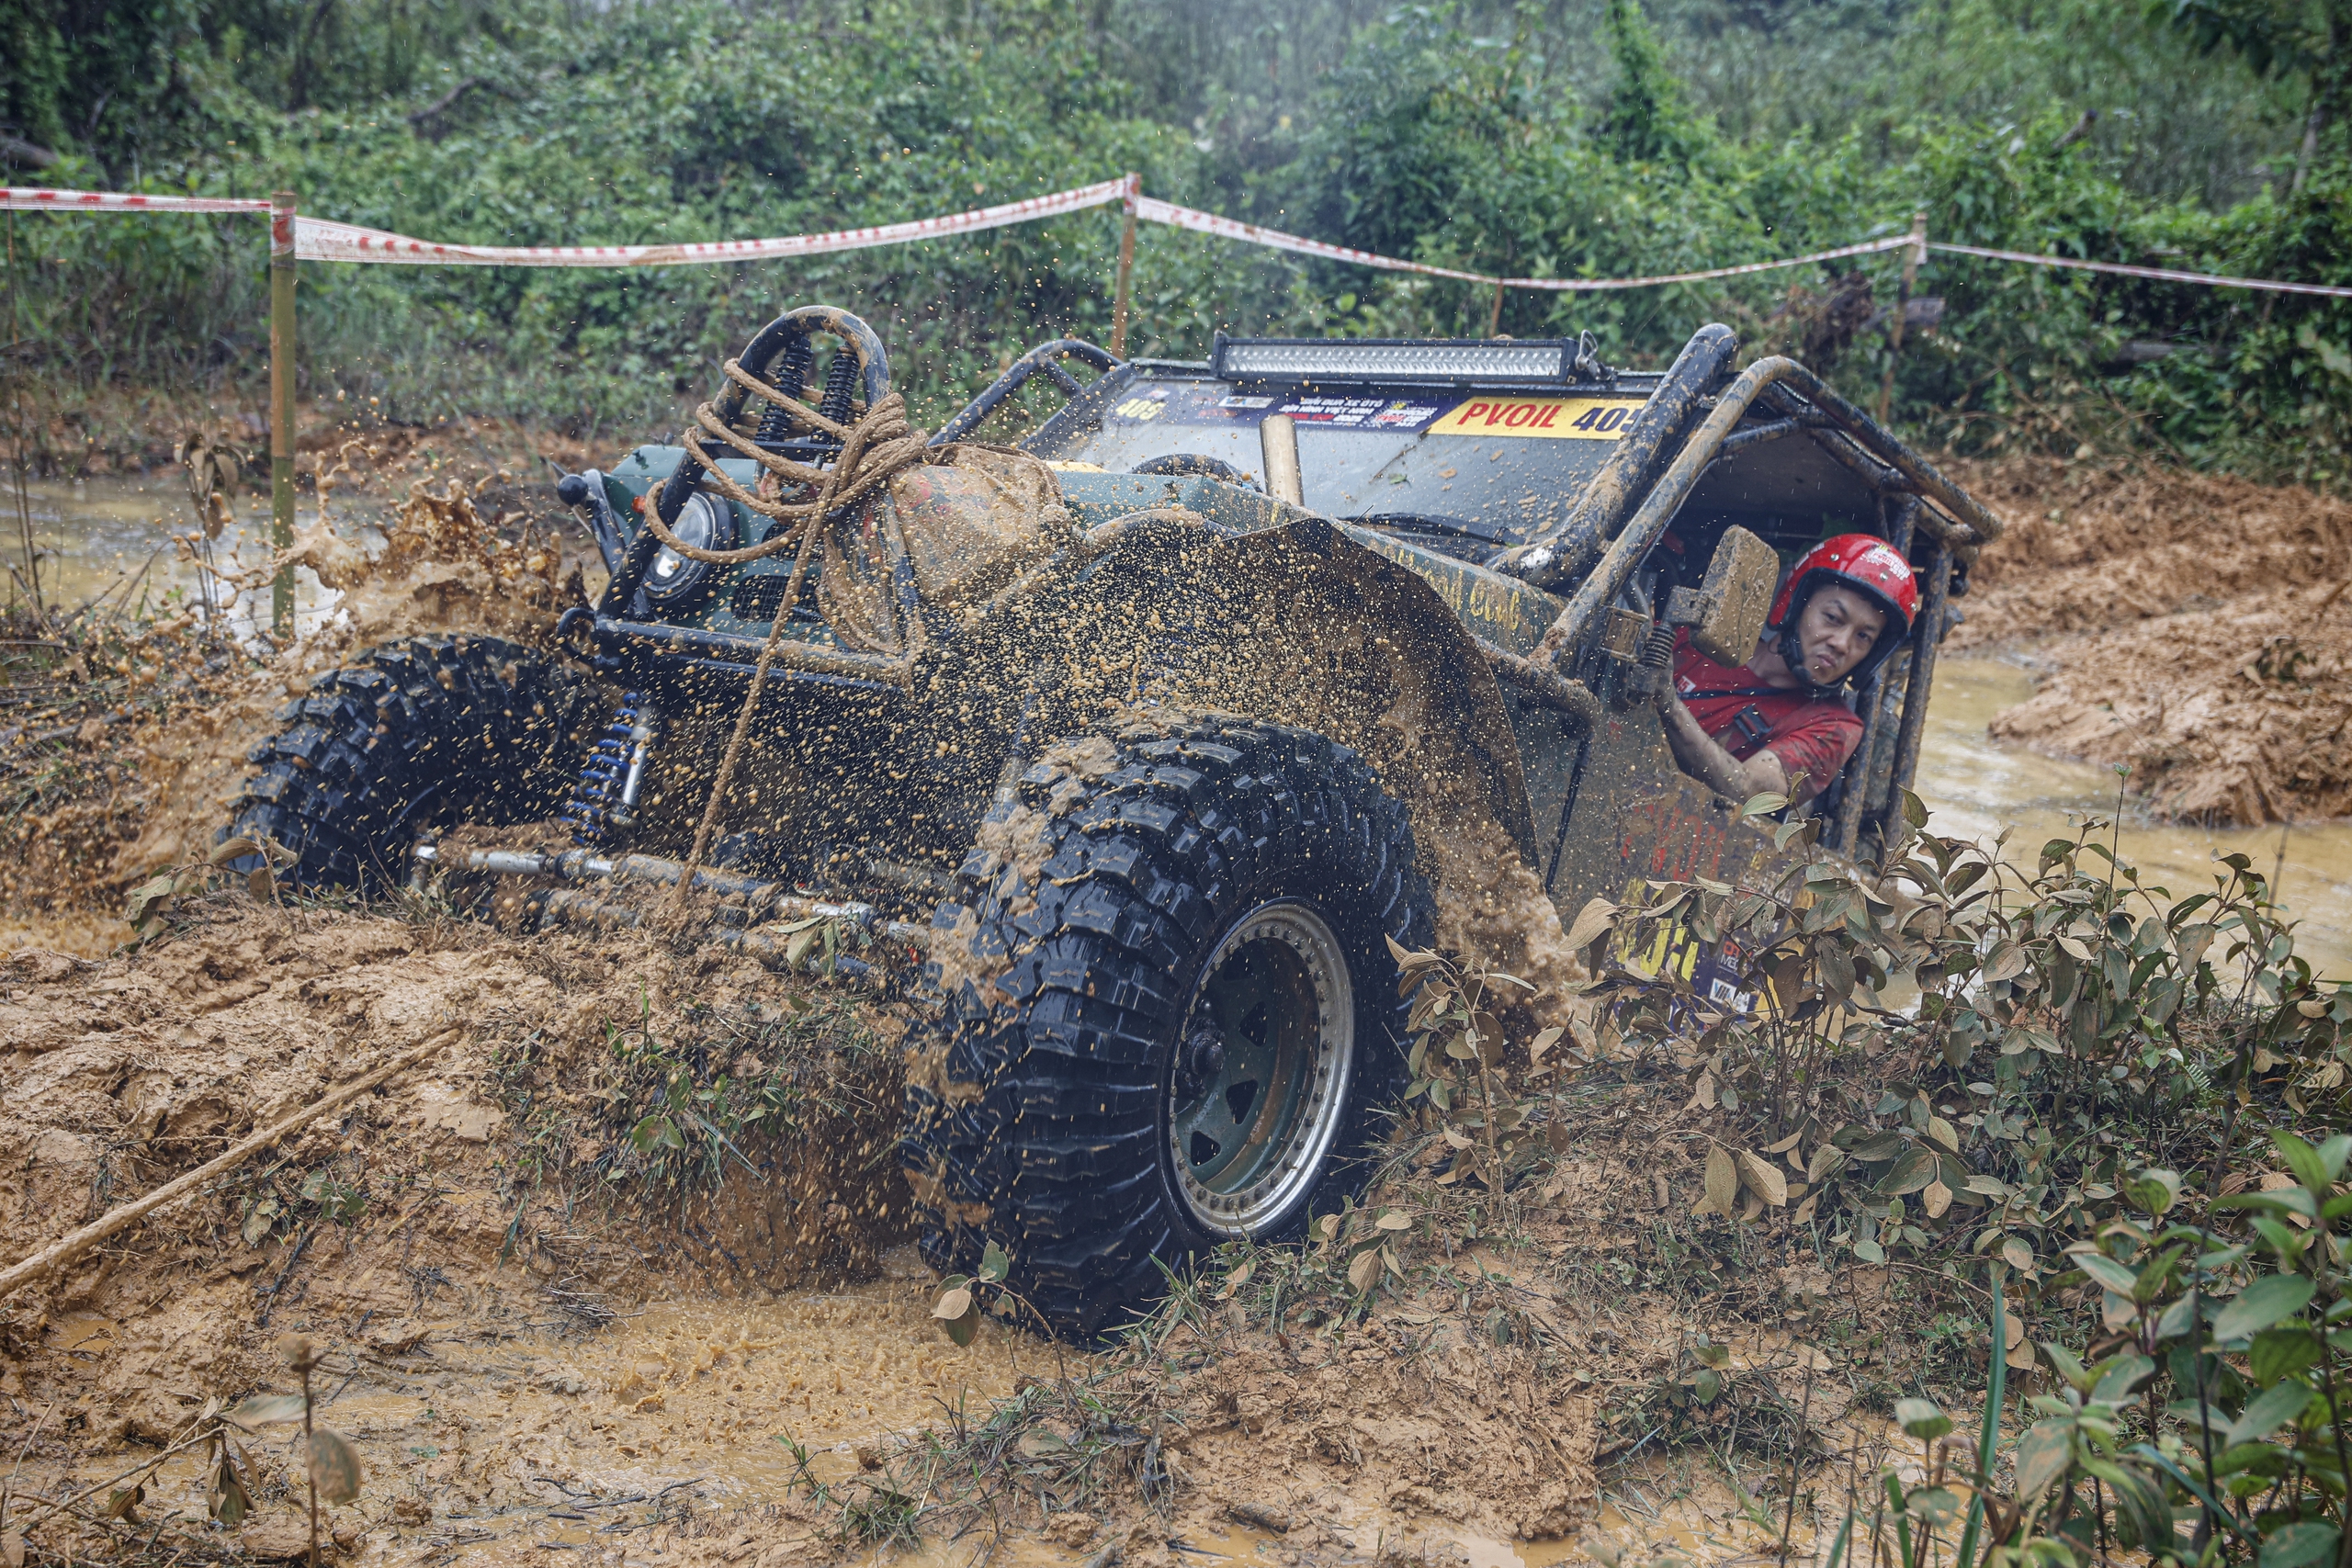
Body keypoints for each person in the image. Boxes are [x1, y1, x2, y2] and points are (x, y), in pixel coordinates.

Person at [1657, 533, 1919, 806]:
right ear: (1796, 605)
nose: (1842, 644)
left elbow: (1747, 791)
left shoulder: (1833, 727)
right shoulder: (1694, 639)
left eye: (1863, 637)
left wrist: (1669, 705)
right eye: (1832, 618)